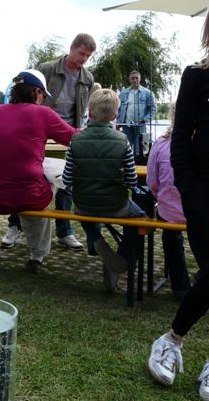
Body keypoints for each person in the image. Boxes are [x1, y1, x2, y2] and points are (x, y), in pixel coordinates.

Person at [147, 0, 209, 401]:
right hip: (206, 190)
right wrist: (189, 189)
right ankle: (172, 339)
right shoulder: (197, 75)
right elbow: (180, 138)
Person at [0, 69, 77, 274]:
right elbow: (75, 139)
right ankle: (37, 255)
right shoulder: (43, 113)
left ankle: (14, 229)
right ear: (37, 92)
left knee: (33, 177)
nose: (43, 99)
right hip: (27, 197)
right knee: (53, 177)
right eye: (43, 95)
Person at [62, 89, 144, 292]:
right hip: (116, 205)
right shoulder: (122, 140)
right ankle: (121, 258)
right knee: (143, 219)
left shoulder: (75, 140)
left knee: (83, 209)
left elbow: (66, 180)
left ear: (90, 112)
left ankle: (97, 240)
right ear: (115, 115)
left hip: (83, 205)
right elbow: (132, 181)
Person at [33, 33, 97, 251]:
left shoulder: (87, 78)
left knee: (66, 180)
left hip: (68, 134)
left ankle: (65, 231)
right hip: (41, 132)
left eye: (88, 56)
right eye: (81, 54)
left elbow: (82, 109)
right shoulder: (47, 69)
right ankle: (15, 225)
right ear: (71, 47)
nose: (83, 59)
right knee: (30, 175)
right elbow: (32, 98)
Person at [146, 103, 191, 300]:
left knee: (171, 238)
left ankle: (181, 286)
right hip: (202, 211)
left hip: (170, 211)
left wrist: (162, 197)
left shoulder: (160, 144)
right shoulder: (208, 145)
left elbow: (152, 181)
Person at [117, 70, 157, 159]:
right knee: (126, 146)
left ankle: (139, 163)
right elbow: (118, 108)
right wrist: (119, 121)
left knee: (140, 148)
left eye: (136, 78)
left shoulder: (148, 93)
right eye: (132, 78)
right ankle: (129, 163)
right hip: (126, 124)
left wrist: (144, 120)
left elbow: (153, 109)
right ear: (129, 80)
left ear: (140, 79)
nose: (134, 80)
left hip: (140, 124)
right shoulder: (123, 93)